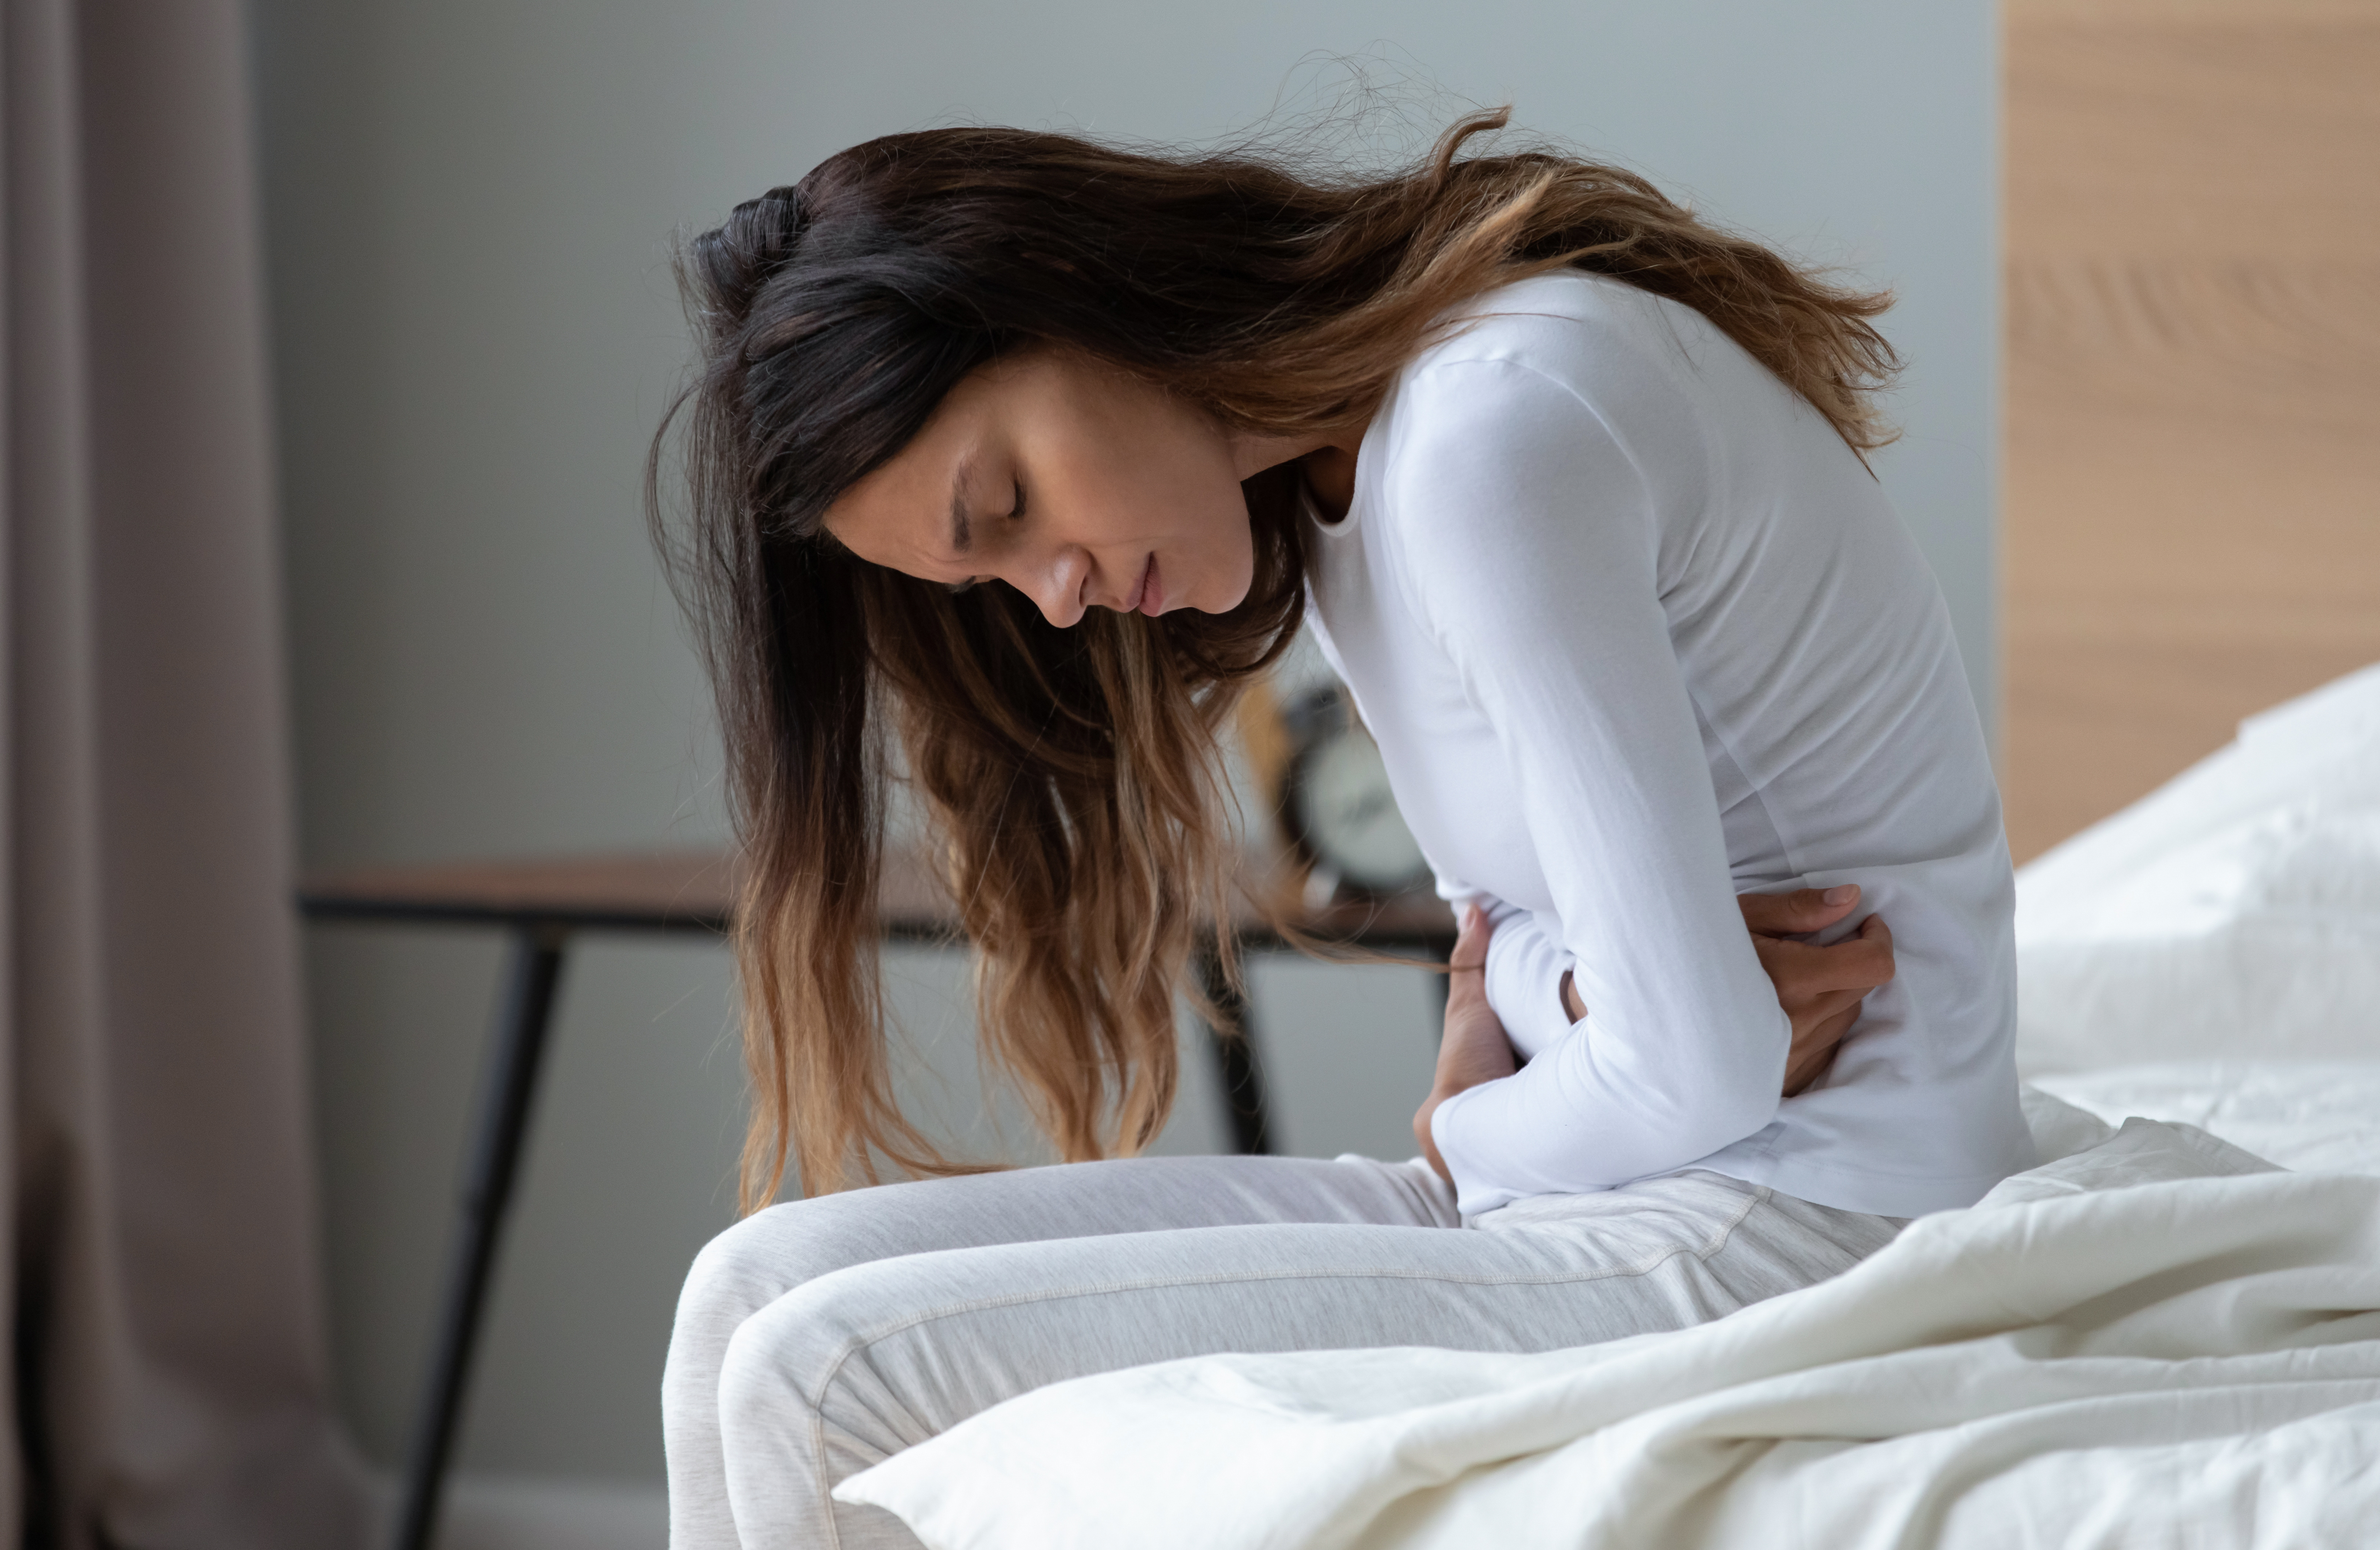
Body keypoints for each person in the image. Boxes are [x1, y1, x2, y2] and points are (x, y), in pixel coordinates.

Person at [649, 112, 2031, 1549]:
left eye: (1003, 505)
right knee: (749, 1291)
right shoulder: (1347, 484)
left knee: (828, 1371)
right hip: (1621, 1188)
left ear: (1071, 284)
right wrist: (1561, 999)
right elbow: (1512, 952)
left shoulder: (1494, 433)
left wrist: (1467, 1118)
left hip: (1808, 1223)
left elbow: (1695, 1061)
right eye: (988, 574)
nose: (1049, 595)